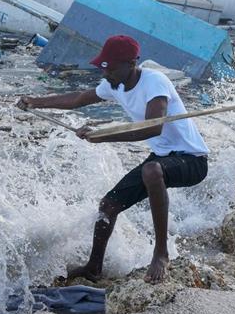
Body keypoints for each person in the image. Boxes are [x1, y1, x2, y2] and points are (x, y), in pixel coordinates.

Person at [17, 35, 210, 284]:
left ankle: (161, 254)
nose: (106, 74)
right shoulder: (113, 84)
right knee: (108, 206)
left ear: (131, 63)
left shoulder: (155, 82)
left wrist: (103, 135)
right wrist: (36, 102)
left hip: (192, 160)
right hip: (163, 158)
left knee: (151, 171)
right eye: (103, 68)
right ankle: (93, 267)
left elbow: (153, 128)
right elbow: (78, 99)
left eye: (111, 68)